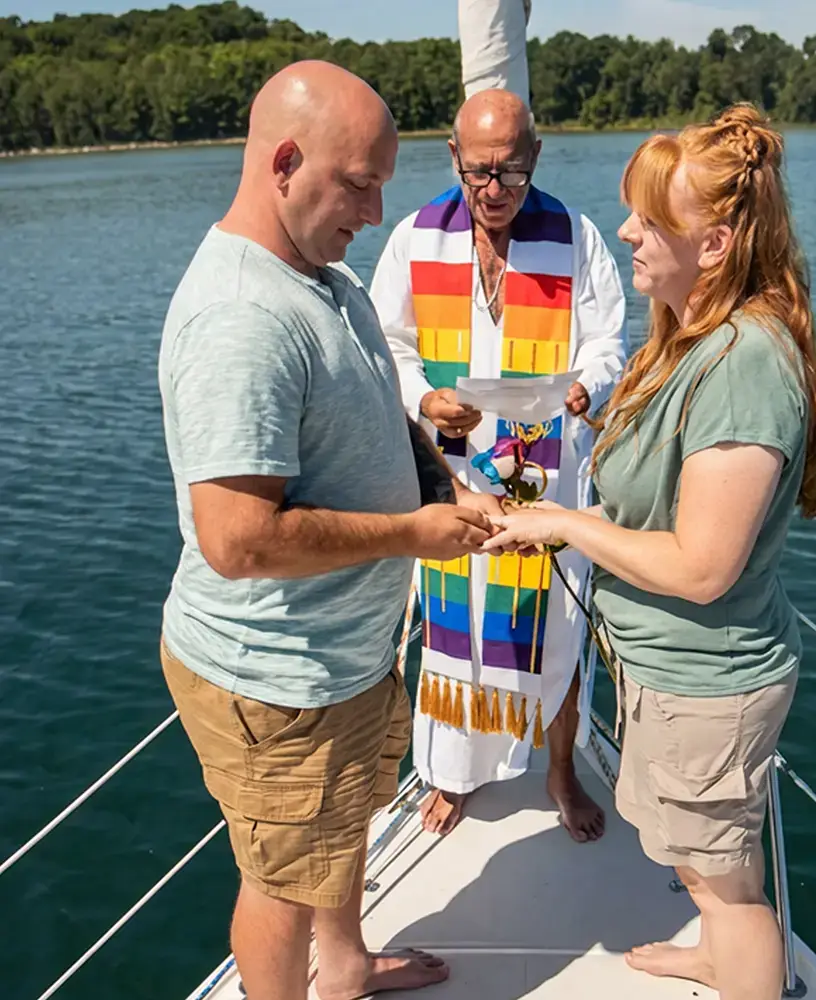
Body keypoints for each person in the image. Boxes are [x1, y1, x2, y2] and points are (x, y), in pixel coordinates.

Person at [157, 61, 495, 1000]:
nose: (378, 211)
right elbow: (237, 539)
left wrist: (440, 481)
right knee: (279, 884)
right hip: (277, 679)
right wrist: (411, 535)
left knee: (340, 827)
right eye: (359, 184)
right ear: (285, 161)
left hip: (344, 655)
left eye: (385, 182)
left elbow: (373, 417)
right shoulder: (243, 317)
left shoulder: (323, 276)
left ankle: (344, 968)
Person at [485, 103, 816, 1000]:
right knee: (700, 865)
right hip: (670, 674)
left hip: (708, 686)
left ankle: (735, 961)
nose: (626, 231)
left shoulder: (745, 364)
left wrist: (564, 523)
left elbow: (703, 567)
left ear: (714, 244)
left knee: (729, 896)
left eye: (649, 217)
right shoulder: (691, 341)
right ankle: (716, 958)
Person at [369, 88, 627, 840]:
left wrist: (590, 384)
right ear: (453, 157)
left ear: (536, 158)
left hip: (545, 479)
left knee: (555, 632)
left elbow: (607, 337)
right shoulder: (416, 238)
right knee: (454, 641)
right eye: (479, 173)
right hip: (455, 478)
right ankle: (453, 776)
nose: (493, 192)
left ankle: (559, 772)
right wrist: (422, 398)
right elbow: (389, 345)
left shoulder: (573, 236)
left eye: (510, 174)